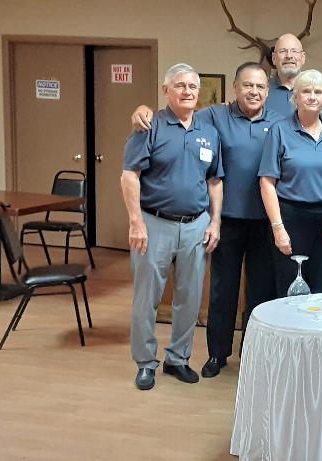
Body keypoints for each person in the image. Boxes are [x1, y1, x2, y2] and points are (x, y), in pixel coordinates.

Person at [130, 63, 283, 379]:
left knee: (253, 294)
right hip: (220, 220)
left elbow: (218, 178)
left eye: (260, 87)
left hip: (260, 222)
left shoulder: (278, 123)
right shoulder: (212, 117)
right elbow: (171, 115)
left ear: (267, 92)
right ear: (235, 90)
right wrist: (141, 110)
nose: (253, 92)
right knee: (220, 293)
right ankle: (214, 355)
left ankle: (249, 356)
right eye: (247, 86)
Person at [121, 63, 224, 390]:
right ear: (166, 91)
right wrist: (136, 222)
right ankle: (145, 362)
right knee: (146, 298)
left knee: (190, 298)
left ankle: (178, 359)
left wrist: (215, 221)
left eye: (193, 86)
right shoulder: (148, 126)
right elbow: (129, 176)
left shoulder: (208, 131)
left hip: (196, 226)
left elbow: (215, 182)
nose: (187, 91)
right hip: (154, 225)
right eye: (180, 86)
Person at [258, 69, 322, 295]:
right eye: (306, 91)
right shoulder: (280, 130)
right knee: (290, 290)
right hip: (292, 220)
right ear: (296, 97)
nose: (312, 96)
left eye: (318, 92)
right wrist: (278, 228)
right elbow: (267, 182)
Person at [267, 33, 322, 124]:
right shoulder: (262, 91)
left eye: (294, 51)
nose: (289, 56)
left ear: (303, 58)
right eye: (283, 51)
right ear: (274, 58)